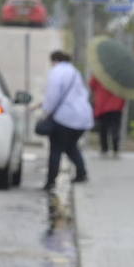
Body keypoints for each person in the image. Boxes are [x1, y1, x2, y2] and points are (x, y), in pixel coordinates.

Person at [41, 49, 93, 189]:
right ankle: (81, 173)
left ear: (55, 60)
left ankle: (51, 181)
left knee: (56, 149)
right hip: (82, 116)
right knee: (70, 146)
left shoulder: (57, 72)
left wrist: (46, 112)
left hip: (64, 117)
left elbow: (52, 95)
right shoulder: (75, 72)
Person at [90, 75, 126, 156]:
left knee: (103, 128)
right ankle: (115, 148)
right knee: (115, 127)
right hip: (117, 104)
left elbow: (92, 84)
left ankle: (104, 148)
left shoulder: (100, 72)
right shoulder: (120, 74)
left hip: (102, 104)